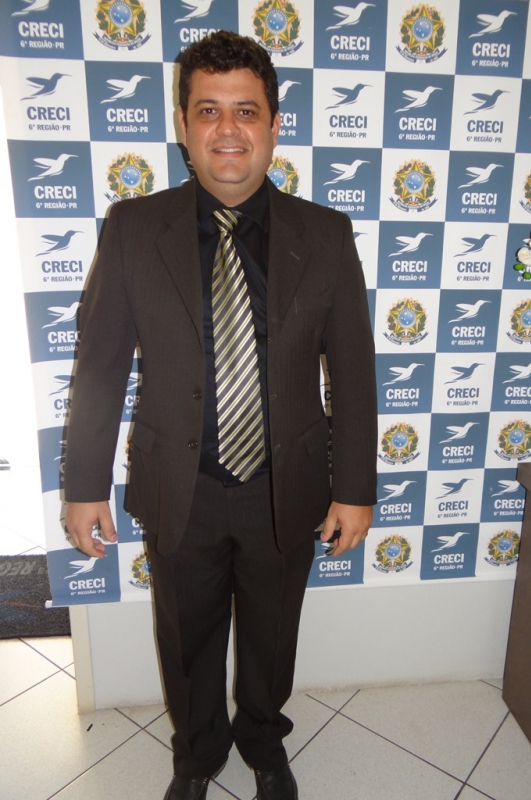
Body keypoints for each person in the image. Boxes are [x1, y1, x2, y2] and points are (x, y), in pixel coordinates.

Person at [64, 30, 376, 800]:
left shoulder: (326, 234)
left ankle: (264, 745)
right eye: (208, 110)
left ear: (274, 125)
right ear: (183, 125)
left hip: (285, 485)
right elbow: (99, 367)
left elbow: (354, 373)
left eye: (246, 110)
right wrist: (84, 485)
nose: (227, 129)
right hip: (183, 487)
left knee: (272, 636)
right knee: (187, 638)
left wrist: (355, 488)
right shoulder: (134, 228)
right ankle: (197, 756)